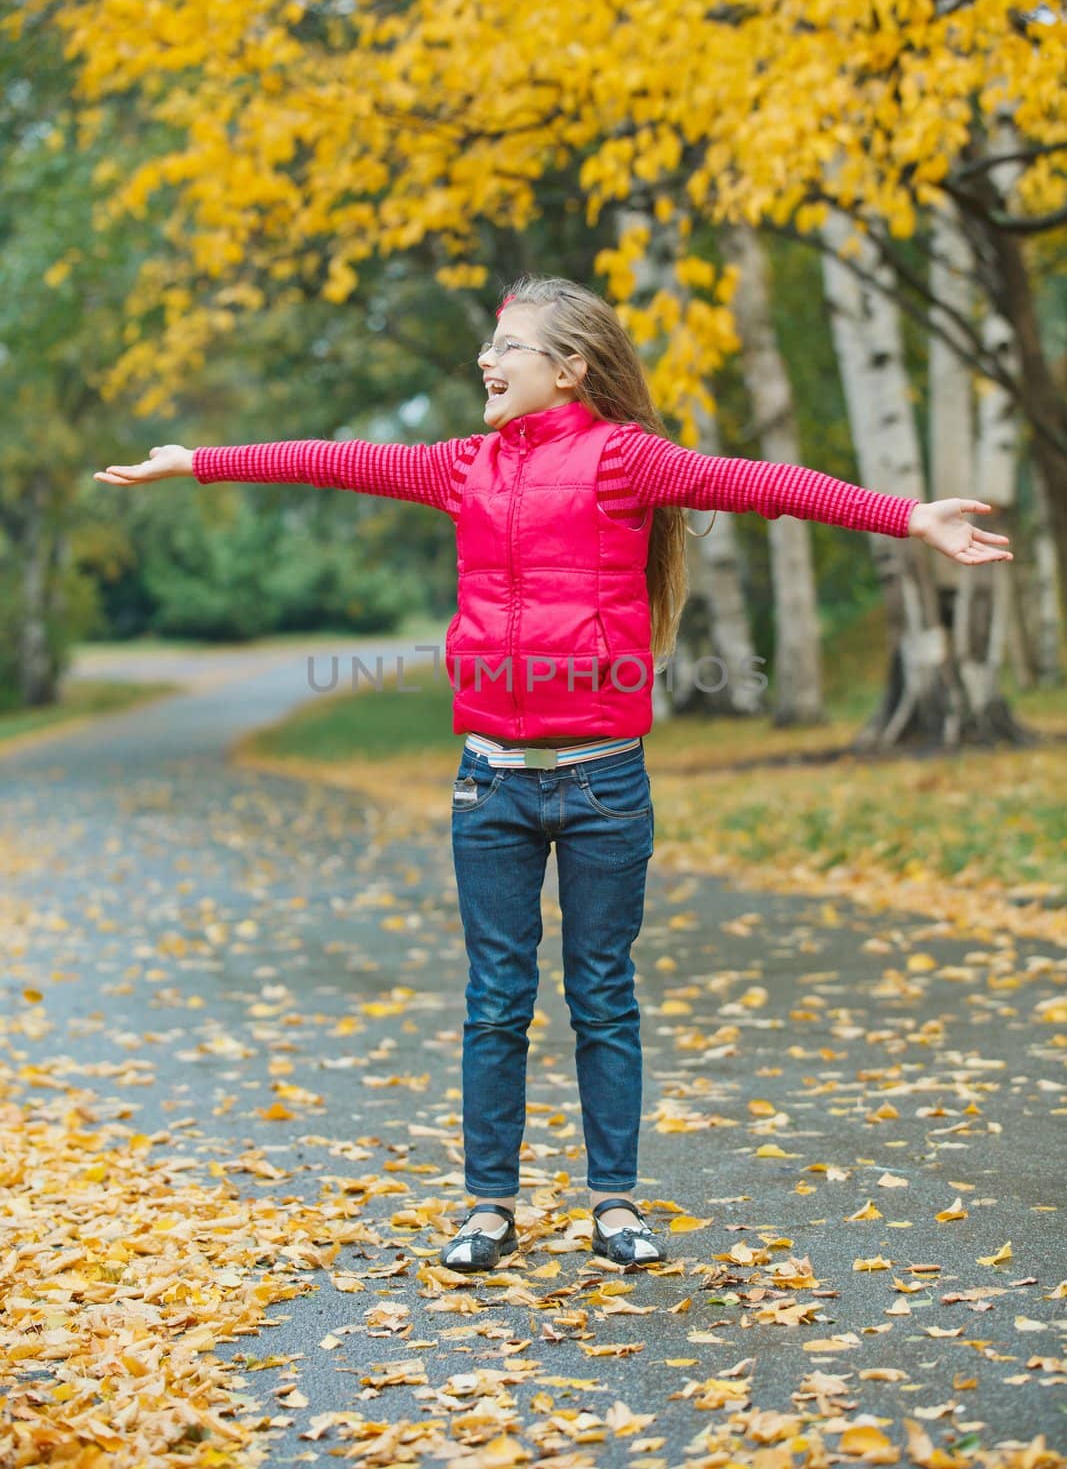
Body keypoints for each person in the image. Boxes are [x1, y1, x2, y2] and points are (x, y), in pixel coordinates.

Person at [94, 274, 1013, 1273]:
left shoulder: (623, 462)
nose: (486, 362)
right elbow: (334, 458)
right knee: (495, 999)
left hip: (601, 784)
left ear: (568, 368)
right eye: (489, 347)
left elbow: (761, 484)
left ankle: (613, 1203)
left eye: (509, 347)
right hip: (489, 782)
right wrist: (198, 462)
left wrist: (906, 515)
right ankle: (488, 1209)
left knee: (601, 994)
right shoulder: (463, 466)